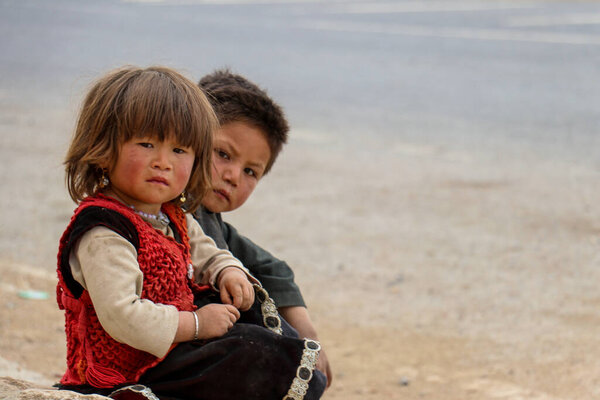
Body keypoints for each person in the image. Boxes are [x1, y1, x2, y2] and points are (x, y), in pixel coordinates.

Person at [56, 65, 326, 400]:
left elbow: (207, 250)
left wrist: (227, 270)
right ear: (103, 148)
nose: (163, 162)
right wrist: (196, 324)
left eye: (179, 150)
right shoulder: (104, 230)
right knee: (251, 353)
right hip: (131, 366)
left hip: (172, 351)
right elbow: (123, 317)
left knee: (260, 334)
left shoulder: (172, 214)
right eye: (146, 144)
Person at [193, 69, 332, 385]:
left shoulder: (214, 224)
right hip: (169, 344)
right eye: (223, 154)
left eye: (251, 172)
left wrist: (307, 332)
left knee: (301, 367)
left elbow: (272, 268)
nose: (233, 176)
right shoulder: (164, 207)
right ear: (188, 132)